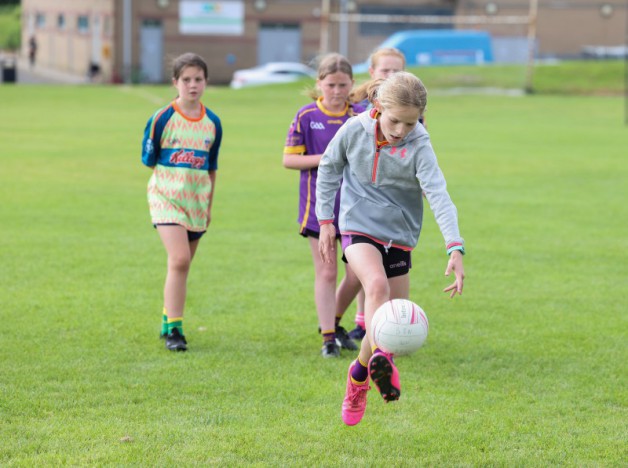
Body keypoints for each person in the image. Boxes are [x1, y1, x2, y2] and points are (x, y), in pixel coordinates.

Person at [316, 71, 465, 425]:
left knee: (394, 317)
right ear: (378, 106)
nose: (401, 131)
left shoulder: (420, 143)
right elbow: (328, 168)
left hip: (399, 235)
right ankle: (377, 365)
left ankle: (359, 375)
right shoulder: (353, 130)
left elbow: (438, 194)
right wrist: (325, 221)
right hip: (358, 225)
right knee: (376, 287)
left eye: (410, 124)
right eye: (395, 120)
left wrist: (454, 247)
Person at [282, 53, 364, 358]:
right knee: (327, 272)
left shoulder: (359, 117)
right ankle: (328, 337)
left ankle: (336, 322)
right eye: (331, 85)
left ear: (352, 84)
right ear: (319, 84)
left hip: (356, 209)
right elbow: (289, 159)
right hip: (319, 208)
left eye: (343, 85)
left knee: (357, 275)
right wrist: (328, 159)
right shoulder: (306, 116)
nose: (337, 91)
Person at [141, 53, 222, 352]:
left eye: (198, 79)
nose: (192, 85)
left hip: (197, 203)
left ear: (206, 82)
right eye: (186, 80)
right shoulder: (162, 118)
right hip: (166, 199)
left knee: (182, 267)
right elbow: (149, 160)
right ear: (175, 82)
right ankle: (175, 330)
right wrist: (170, 182)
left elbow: (211, 168)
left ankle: (166, 321)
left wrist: (209, 206)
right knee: (179, 259)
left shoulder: (213, 122)